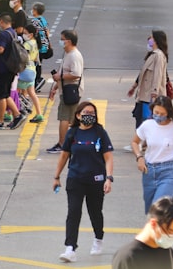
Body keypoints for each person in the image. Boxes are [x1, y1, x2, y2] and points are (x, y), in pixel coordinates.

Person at [53, 100, 115, 263]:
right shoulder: (72, 133)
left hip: (96, 180)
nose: (89, 116)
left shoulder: (100, 133)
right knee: (73, 212)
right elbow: (64, 155)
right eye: (86, 113)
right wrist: (57, 176)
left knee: (95, 212)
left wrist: (108, 178)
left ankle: (98, 238)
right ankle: (70, 248)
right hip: (75, 179)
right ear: (78, 115)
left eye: (92, 114)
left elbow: (108, 158)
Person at [131, 96, 173, 212]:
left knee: (159, 208)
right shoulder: (147, 125)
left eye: (162, 114)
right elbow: (134, 142)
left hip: (168, 172)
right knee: (150, 211)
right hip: (149, 171)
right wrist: (139, 157)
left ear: (168, 113)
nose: (158, 116)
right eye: (156, 112)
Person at [111, 197, 173, 269]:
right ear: (154, 223)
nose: (172, 237)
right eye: (170, 232)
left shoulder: (168, 253)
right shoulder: (127, 257)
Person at [47, 29, 84, 153]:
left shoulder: (74, 55)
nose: (61, 42)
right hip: (66, 89)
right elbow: (64, 72)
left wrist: (59, 77)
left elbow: (76, 74)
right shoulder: (69, 54)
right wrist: (56, 87)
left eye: (62, 39)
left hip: (71, 91)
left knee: (64, 118)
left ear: (68, 41)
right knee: (71, 119)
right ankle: (73, 141)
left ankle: (62, 144)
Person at [0, 14, 24, 129]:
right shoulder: (13, 33)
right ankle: (17, 115)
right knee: (5, 94)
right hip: (9, 68)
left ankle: (0, 121)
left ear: (1, 21)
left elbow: (0, 49)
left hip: (2, 69)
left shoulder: (3, 34)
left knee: (1, 96)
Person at [128, 30, 169, 128]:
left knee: (147, 123)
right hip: (144, 95)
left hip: (150, 97)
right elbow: (142, 73)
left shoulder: (158, 55)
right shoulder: (152, 54)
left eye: (151, 38)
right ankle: (139, 142)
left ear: (156, 40)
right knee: (140, 121)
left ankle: (143, 142)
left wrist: (154, 95)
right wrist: (134, 87)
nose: (149, 40)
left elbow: (157, 76)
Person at [17, 23, 44, 123]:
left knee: (15, 92)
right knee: (32, 93)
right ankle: (39, 114)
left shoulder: (27, 44)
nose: (24, 35)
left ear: (31, 34)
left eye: (25, 33)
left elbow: (22, 57)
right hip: (33, 71)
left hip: (25, 70)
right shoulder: (36, 43)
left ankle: (12, 113)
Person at [31, 2, 51, 91]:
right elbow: (47, 32)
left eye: (33, 10)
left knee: (36, 64)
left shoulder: (34, 21)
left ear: (35, 11)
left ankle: (38, 81)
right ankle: (37, 81)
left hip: (38, 46)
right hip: (44, 45)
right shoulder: (43, 20)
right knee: (39, 63)